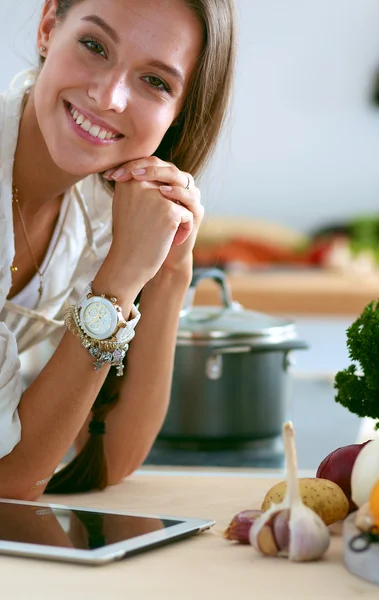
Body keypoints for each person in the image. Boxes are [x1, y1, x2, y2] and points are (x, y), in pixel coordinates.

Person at [0, 0, 236, 499]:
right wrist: (114, 290)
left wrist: (172, 269)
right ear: (47, 28)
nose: (108, 96)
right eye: (94, 46)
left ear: (181, 113)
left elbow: (106, 458)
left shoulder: (109, 206)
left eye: (155, 81)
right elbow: (9, 485)